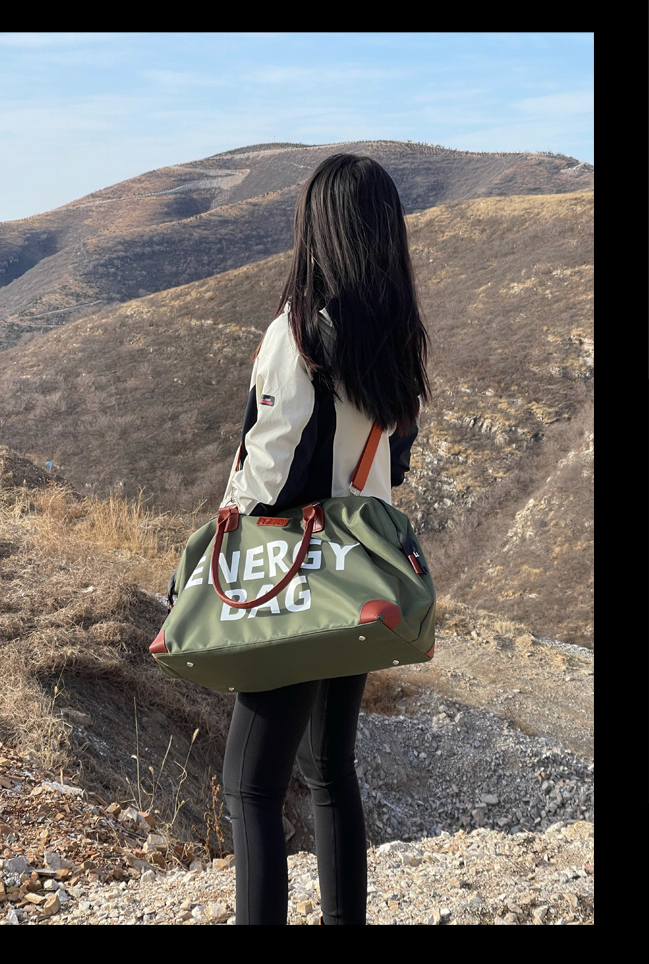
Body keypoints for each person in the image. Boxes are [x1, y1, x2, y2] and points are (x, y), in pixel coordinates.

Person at [219, 153, 431, 925]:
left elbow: (269, 475)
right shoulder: (396, 340)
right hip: (357, 575)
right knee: (331, 770)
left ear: (320, 228)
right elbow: (390, 466)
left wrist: (222, 536)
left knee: (250, 785)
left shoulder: (299, 332)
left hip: (293, 577)